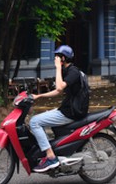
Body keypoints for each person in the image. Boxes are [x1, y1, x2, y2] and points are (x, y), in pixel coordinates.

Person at [28, 45, 87, 173]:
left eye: (57, 57)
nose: (55, 59)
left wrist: (58, 68)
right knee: (40, 119)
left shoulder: (73, 72)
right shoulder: (68, 71)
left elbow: (59, 87)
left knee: (34, 122)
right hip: (67, 109)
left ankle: (51, 157)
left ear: (63, 58)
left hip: (71, 112)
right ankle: (48, 150)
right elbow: (58, 91)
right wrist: (39, 96)